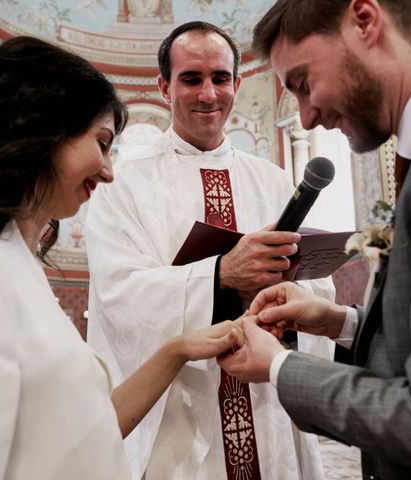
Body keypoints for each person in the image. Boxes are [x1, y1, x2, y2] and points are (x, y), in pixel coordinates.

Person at [0, 36, 245, 479]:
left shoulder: (15, 264)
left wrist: (177, 349)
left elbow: (87, 430)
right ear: (41, 134)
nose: (108, 170)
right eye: (101, 143)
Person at [219, 0, 411, 479]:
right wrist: (342, 322)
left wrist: (281, 368)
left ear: (364, 20)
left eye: (304, 84)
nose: (305, 118)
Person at [86, 21, 335, 480]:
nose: (208, 94)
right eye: (191, 79)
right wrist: (221, 273)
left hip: (265, 400)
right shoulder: (123, 186)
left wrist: (287, 293)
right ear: (164, 86)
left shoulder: (274, 180)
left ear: (237, 84)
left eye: (220, 78)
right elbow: (118, 295)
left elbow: (319, 288)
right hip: (181, 416)